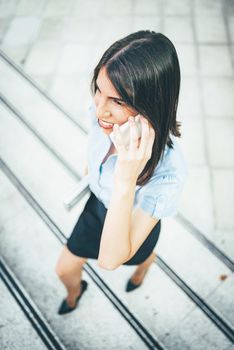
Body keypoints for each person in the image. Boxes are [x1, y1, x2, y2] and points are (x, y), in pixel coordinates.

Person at [55, 30, 188, 315]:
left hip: (133, 222)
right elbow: (94, 145)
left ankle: (145, 266)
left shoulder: (168, 174)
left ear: (151, 104)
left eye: (117, 101)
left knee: (141, 252)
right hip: (98, 207)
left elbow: (111, 259)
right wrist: (91, 175)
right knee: (64, 269)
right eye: (98, 91)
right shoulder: (101, 114)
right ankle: (73, 295)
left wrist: (126, 178)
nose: (99, 109)